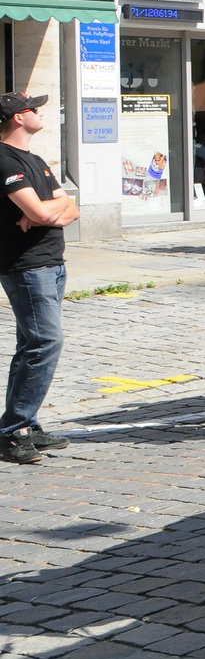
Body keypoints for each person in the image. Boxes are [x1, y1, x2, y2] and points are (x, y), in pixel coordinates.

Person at [0, 92, 79, 464]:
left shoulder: (34, 160)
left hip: (52, 263)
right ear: (17, 118)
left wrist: (49, 211)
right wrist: (46, 211)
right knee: (46, 342)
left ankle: (25, 424)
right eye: (34, 108)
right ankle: (11, 431)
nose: (40, 112)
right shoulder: (3, 160)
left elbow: (71, 208)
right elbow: (42, 211)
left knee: (30, 345)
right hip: (26, 267)